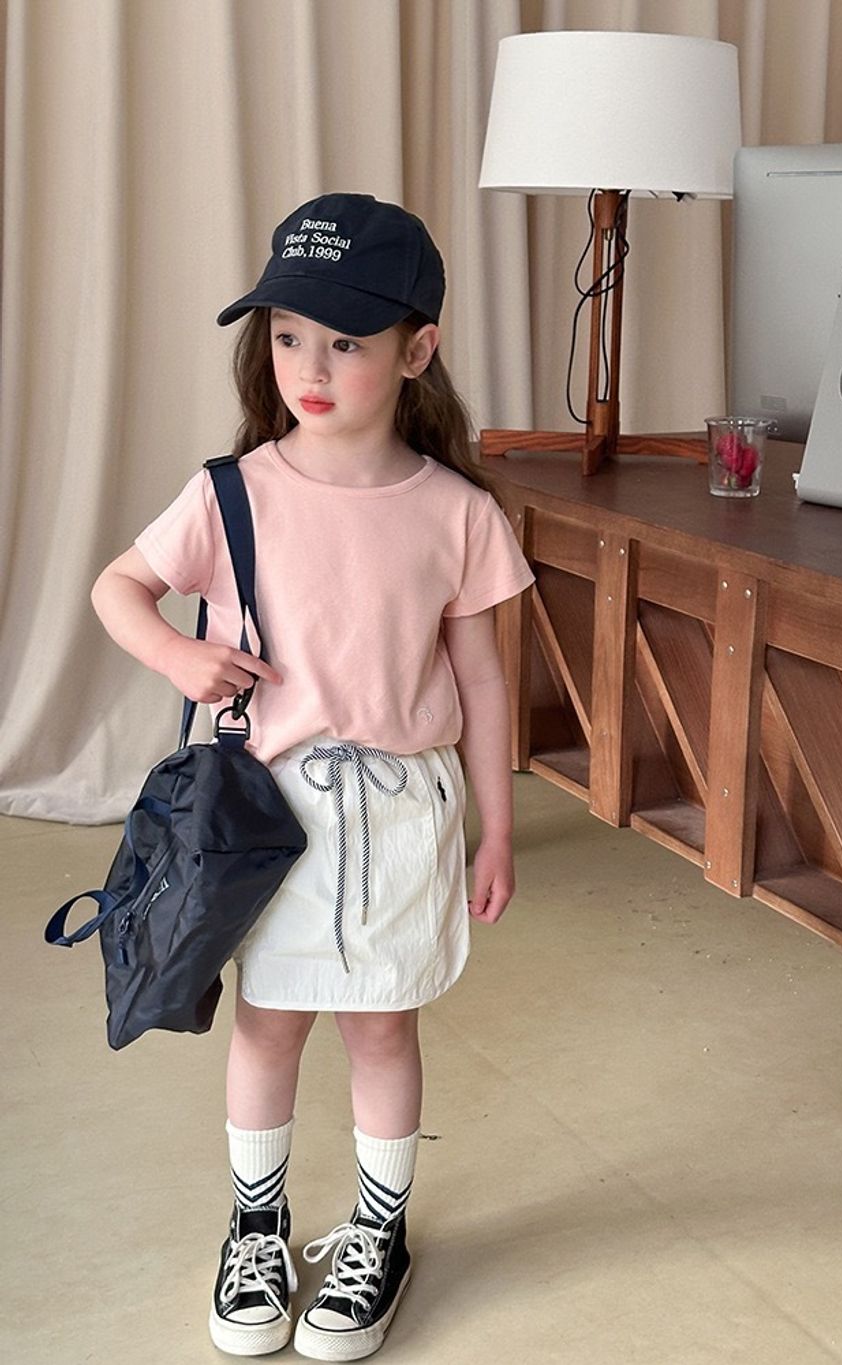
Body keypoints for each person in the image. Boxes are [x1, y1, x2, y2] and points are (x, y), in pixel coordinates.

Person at [90, 192, 535, 1360]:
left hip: (401, 814)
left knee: (381, 1029)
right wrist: (180, 654)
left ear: (416, 351)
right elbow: (117, 589)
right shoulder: (231, 492)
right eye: (289, 336)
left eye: (345, 340)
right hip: (263, 817)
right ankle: (257, 1227)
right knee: (270, 1021)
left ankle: (379, 1231)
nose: (311, 367)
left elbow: (484, 680)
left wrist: (495, 830)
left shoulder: (457, 513)